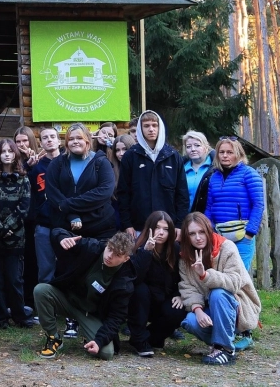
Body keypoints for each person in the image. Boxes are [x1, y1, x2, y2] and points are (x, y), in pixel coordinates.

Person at [34, 230, 135, 360]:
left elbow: (116, 317)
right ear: (107, 244)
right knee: (41, 290)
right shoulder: (93, 247)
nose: (110, 255)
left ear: (126, 258)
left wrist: (99, 341)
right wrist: (62, 238)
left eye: (117, 255)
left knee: (106, 353)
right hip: (67, 300)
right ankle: (54, 338)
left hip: (91, 314)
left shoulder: (124, 282)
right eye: (109, 249)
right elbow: (57, 231)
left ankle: (88, 337)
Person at [178, 211, 261, 365]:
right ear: (187, 236)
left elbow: (235, 282)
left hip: (236, 306)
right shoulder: (185, 257)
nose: (198, 237)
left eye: (202, 231)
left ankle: (225, 349)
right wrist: (198, 310)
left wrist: (205, 275)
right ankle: (220, 341)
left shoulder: (226, 247)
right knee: (190, 321)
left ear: (208, 230)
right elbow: (187, 287)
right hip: (210, 309)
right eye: (192, 233)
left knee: (218, 293)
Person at [126, 211, 187, 356]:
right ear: (149, 228)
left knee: (177, 309)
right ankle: (140, 339)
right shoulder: (137, 247)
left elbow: (183, 278)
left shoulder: (176, 250)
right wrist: (146, 252)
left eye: (165, 229)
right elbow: (134, 279)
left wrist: (179, 294)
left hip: (163, 298)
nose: (161, 233)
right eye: (157, 228)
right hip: (139, 301)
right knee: (140, 290)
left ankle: (151, 338)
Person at [118, 110, 188, 234]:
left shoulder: (173, 156)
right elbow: (123, 193)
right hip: (138, 227)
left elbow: (182, 194)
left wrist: (179, 224)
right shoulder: (131, 156)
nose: (151, 129)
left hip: (168, 227)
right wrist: (127, 224)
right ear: (140, 129)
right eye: (146, 126)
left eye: (154, 125)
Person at [45, 123, 118, 242]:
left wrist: (68, 205)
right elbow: (52, 193)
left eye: (79, 138)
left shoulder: (101, 162)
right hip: (67, 228)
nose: (75, 142)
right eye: (71, 139)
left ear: (87, 141)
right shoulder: (56, 164)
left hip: (100, 226)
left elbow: (104, 192)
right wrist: (72, 215)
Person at [203, 137, 264, 274]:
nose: (225, 155)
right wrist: (209, 230)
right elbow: (209, 207)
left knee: (239, 276)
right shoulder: (214, 177)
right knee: (222, 274)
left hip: (242, 236)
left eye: (230, 152)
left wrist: (249, 233)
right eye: (221, 152)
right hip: (219, 236)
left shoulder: (249, 174)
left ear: (239, 154)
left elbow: (258, 204)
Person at [0, 139, 33, 329]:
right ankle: (0, 318)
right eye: (3, 151)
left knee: (15, 279)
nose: (7, 154)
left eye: (10, 151)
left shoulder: (23, 178)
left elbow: (24, 206)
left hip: (16, 237)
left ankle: (20, 316)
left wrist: (9, 227)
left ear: (16, 154)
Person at [27, 127, 60, 303]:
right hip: (43, 224)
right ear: (40, 143)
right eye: (45, 138)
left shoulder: (68, 163)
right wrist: (27, 166)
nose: (49, 140)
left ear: (59, 141)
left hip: (65, 224)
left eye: (52, 137)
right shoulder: (36, 167)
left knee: (66, 267)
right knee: (45, 268)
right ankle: (46, 308)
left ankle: (66, 309)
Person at [182, 131, 214, 213]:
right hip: (186, 219)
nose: (193, 149)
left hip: (209, 217)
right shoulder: (180, 169)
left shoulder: (216, 168)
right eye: (188, 146)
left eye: (197, 145)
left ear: (206, 147)